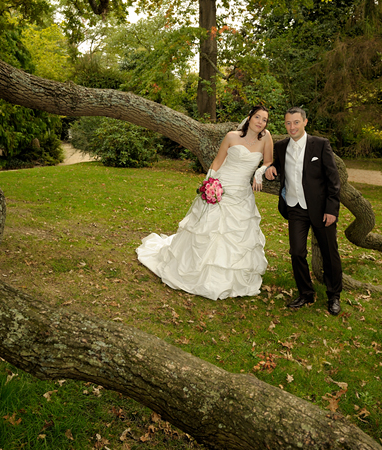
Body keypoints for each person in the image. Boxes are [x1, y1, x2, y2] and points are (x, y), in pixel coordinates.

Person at [136, 106, 274, 300]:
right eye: (257, 117)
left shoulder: (266, 138)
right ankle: (194, 270)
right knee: (207, 230)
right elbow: (217, 162)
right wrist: (209, 183)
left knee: (238, 236)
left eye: (264, 120)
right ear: (249, 118)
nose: (260, 122)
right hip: (221, 187)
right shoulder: (231, 136)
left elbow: (268, 161)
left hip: (242, 194)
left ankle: (230, 278)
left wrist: (260, 172)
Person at [264, 107, 343, 315]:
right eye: (288, 123)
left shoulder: (321, 145)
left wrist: (331, 209)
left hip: (321, 209)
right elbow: (279, 168)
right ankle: (306, 293)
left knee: (329, 253)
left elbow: (333, 180)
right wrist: (272, 168)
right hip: (295, 208)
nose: (292, 127)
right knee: (297, 252)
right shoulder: (281, 147)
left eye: (296, 122)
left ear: (305, 122)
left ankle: (334, 295)